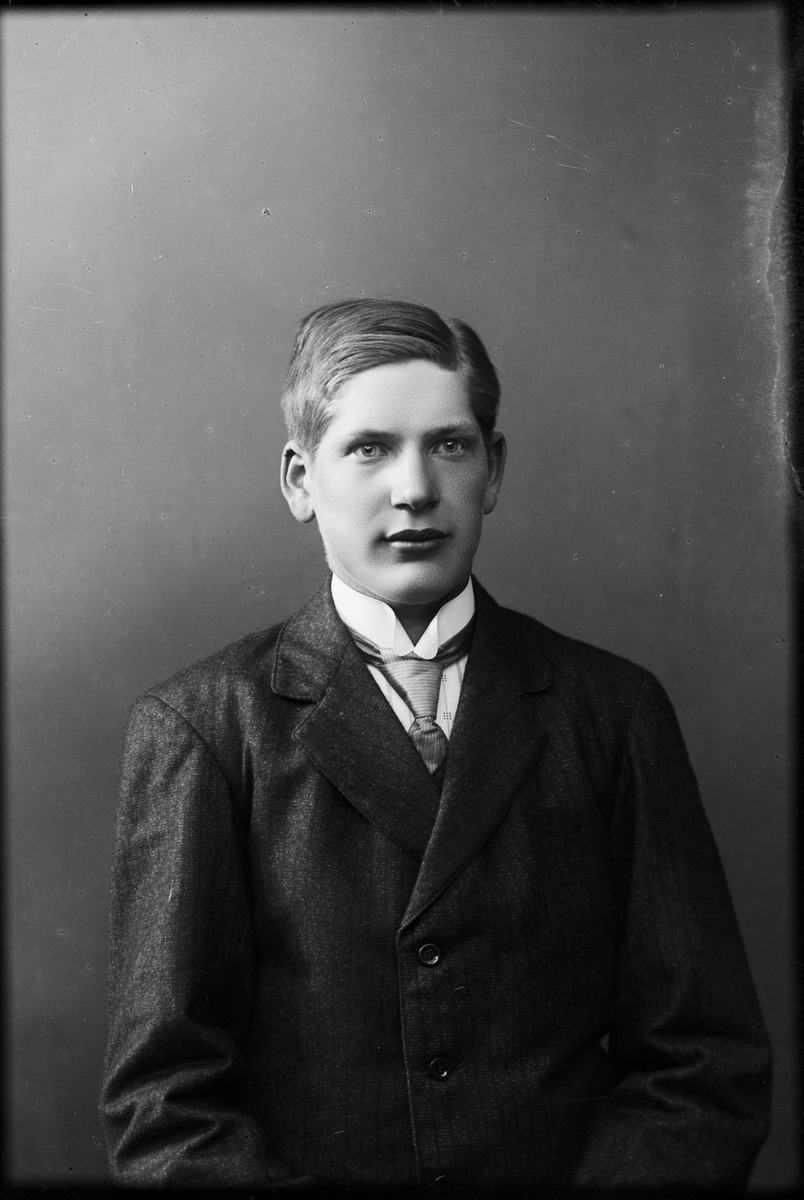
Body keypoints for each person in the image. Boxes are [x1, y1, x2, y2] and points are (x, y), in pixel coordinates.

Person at [100, 298, 771, 1191]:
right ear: (301, 480)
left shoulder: (611, 712)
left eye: (449, 445)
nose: (414, 488)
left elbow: (704, 1066)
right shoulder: (205, 726)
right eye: (369, 449)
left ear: (493, 470)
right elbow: (164, 1108)